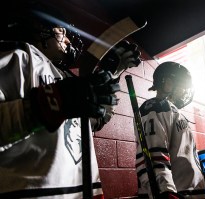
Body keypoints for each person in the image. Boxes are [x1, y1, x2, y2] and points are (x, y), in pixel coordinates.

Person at [0, 1, 141, 198]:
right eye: (62, 32)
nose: (67, 41)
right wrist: (48, 104)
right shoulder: (16, 56)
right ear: (41, 29)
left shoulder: (67, 77)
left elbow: (94, 121)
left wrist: (110, 73)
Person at [135, 61, 205, 199]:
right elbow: (153, 154)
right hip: (176, 193)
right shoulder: (156, 107)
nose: (185, 91)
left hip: (189, 192)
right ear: (167, 82)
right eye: (182, 86)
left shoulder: (173, 110)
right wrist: (165, 191)